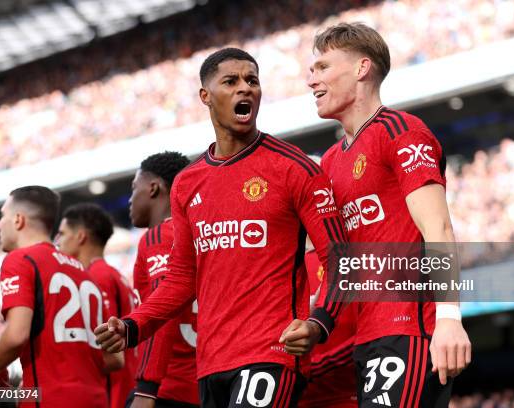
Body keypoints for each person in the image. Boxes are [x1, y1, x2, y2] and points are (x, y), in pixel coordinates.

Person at [94, 47, 347, 407]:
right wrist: (132, 325)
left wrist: (318, 323)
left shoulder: (295, 167)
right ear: (205, 96)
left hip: (271, 353)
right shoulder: (187, 183)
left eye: (252, 81)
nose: (245, 88)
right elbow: (181, 278)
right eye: (231, 81)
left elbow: (341, 258)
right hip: (212, 364)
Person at [303, 22, 471, 407]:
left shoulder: (401, 131)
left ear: (362, 68)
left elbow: (439, 227)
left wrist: (448, 318)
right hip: (364, 339)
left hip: (410, 329)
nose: (311, 79)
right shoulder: (328, 162)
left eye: (323, 67)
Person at [0, 186, 121, 407]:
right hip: (96, 399)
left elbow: (16, 335)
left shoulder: (20, 259)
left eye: (2, 216)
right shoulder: (84, 272)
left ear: (18, 220)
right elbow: (115, 358)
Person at [127, 151, 199, 408]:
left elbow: (163, 312)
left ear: (153, 188)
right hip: (207, 387)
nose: (130, 199)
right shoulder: (201, 235)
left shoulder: (160, 236)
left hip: (168, 388)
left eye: (134, 188)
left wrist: (146, 389)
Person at [56, 203, 136, 408]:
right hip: (128, 386)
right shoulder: (112, 274)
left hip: (115, 394)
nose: (57, 242)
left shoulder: (95, 277)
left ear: (80, 236)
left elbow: (111, 355)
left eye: (62, 233)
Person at [298, 246, 358, 408]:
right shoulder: (287, 264)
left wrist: (318, 366)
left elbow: (369, 335)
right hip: (293, 397)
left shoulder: (353, 263)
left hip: (343, 398)